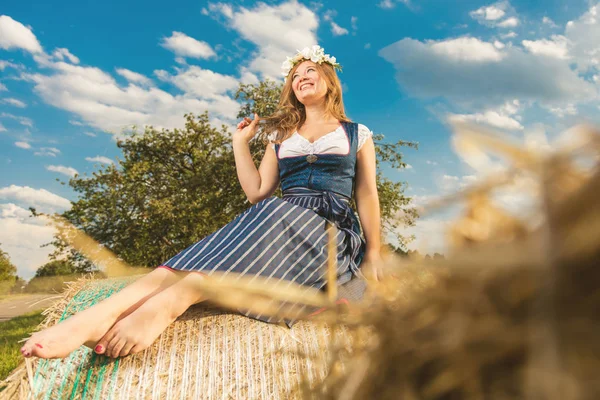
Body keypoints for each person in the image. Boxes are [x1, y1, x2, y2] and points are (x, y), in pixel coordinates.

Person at [20, 45, 382, 360]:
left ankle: (171, 304)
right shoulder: (280, 136)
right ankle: (94, 317)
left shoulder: (357, 133)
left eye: (310, 71)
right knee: (256, 217)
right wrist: (240, 143)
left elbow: (366, 194)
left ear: (329, 80)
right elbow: (257, 192)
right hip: (277, 222)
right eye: (294, 75)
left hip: (328, 233)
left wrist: (374, 253)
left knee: (233, 246)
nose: (300, 77)